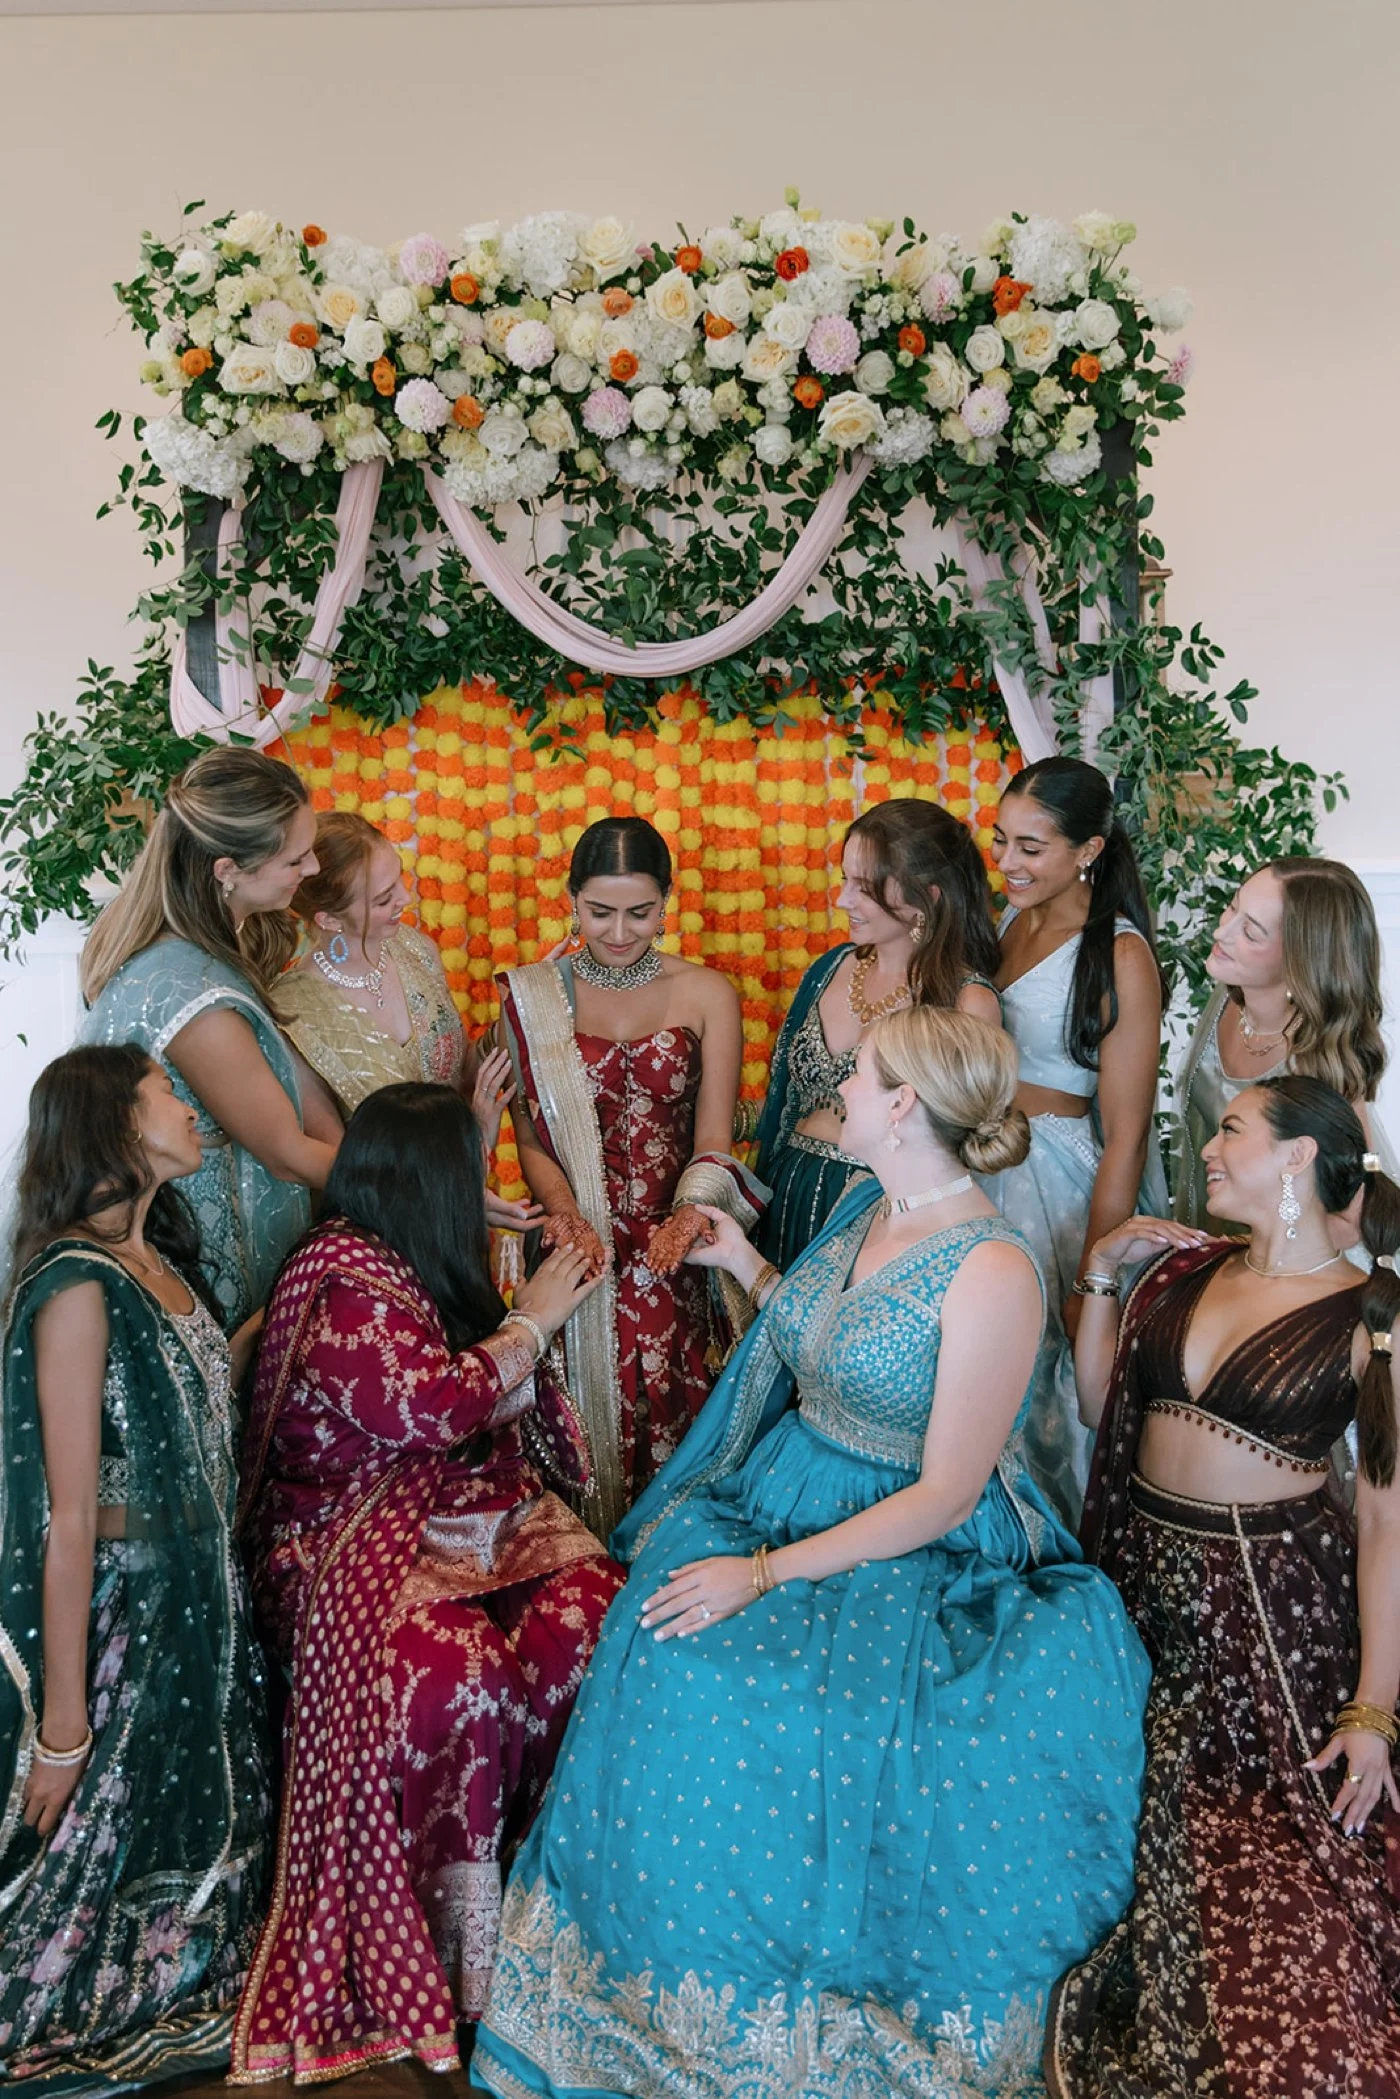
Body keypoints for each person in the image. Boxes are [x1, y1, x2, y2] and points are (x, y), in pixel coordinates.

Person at [474, 1008, 1150, 2099]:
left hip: (913, 1544)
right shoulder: (866, 1203)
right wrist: (742, 1255)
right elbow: (822, 1331)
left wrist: (762, 1573)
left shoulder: (992, 1269)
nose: (838, 1080)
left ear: (903, 1106)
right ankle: (634, 1996)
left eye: (861, 1072)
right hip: (788, 1487)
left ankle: (783, 2021)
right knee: (654, 1642)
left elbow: (945, 1490)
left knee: (772, 1697)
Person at [233, 1084, 624, 2083]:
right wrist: (533, 1321)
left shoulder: (411, 1248)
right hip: (342, 1532)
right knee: (461, 1671)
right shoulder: (339, 1280)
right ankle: (461, 1958)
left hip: (462, 1511)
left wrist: (514, 1291)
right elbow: (431, 1404)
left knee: (591, 1626)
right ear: (432, 1183)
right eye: (470, 1169)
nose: (483, 1187)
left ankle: (564, 1932)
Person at [1046, 1075, 1400, 2097]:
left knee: (1247, 1857)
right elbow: (1094, 1400)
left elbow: (1381, 1521)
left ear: (1296, 1154)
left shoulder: (1369, 1312)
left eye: (1231, 1129)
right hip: (1136, 1580)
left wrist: (1373, 1710)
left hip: (1266, 1612)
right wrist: (1104, 1275)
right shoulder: (1184, 1272)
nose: (1206, 1145)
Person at [0, 1046, 273, 2089]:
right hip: (124, 1617)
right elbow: (67, 1517)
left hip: (197, 1604)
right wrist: (63, 1727)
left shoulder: (159, 1257)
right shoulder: (76, 1281)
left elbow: (193, 1398)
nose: (190, 1106)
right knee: (78, 1870)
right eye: (170, 1092)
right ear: (115, 1119)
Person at [495, 816, 765, 1538]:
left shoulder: (708, 993)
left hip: (675, 1239)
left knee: (676, 1395)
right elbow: (530, 1132)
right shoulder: (529, 996)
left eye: (640, 912)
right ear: (572, 899)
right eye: (600, 911)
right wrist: (565, 1214)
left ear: (667, 902)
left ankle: (663, 1566)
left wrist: (687, 1215)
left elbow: (714, 1136)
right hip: (571, 1239)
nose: (619, 931)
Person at [79, 749, 340, 1326]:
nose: (314, 870)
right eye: (295, 859)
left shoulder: (206, 949)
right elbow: (289, 1155)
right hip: (196, 1256)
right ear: (227, 872)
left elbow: (300, 1090)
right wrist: (422, 1196)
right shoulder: (193, 995)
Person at [986, 755, 1168, 1523]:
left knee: (1039, 1379)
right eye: (1001, 840)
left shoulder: (1120, 953)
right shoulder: (1007, 920)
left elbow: (1126, 1136)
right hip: (982, 1159)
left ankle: (1049, 1546)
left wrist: (1093, 1281)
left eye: (1032, 847)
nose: (1007, 862)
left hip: (1053, 1181)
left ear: (1088, 849)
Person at [754, 797, 1003, 1268]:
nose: (843, 899)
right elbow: (783, 1104)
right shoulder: (829, 969)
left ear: (927, 896)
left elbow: (957, 1157)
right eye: (845, 879)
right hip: (787, 1193)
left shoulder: (966, 1002)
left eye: (864, 888)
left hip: (880, 1224)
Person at [276, 810, 534, 1230]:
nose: (405, 898)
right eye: (383, 898)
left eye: (398, 879)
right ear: (328, 919)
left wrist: (522, 1011)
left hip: (460, 1200)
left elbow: (464, 1071)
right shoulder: (293, 1010)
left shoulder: (415, 951)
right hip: (378, 1231)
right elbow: (340, 1161)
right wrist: (456, 1185)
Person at [1175, 856, 1396, 1229]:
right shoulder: (1231, 996)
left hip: (1292, 1261)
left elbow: (1351, 1217)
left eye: (1251, 932)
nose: (1222, 933)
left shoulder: (1316, 1062)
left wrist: (1260, 1261)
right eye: (1233, 907)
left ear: (1300, 960)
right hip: (1217, 1230)